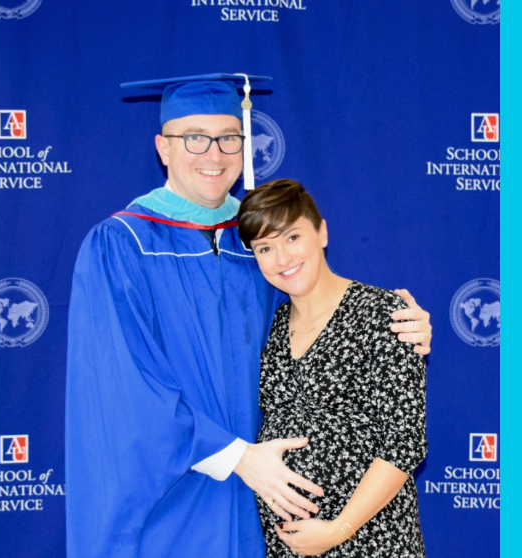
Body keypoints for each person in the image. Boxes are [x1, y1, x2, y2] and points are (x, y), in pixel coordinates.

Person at [65, 74, 433, 558]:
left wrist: (403, 324)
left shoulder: (254, 240)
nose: (214, 154)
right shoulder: (123, 245)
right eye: (194, 138)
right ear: (163, 148)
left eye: (228, 138)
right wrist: (237, 457)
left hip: (264, 501)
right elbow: (121, 386)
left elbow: (316, 320)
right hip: (174, 497)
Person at [237, 179, 428, 557]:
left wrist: (337, 530)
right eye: (265, 247)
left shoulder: (384, 315)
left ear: (321, 232)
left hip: (372, 541)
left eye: (292, 237)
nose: (282, 258)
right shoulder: (268, 328)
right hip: (289, 544)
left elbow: (404, 442)